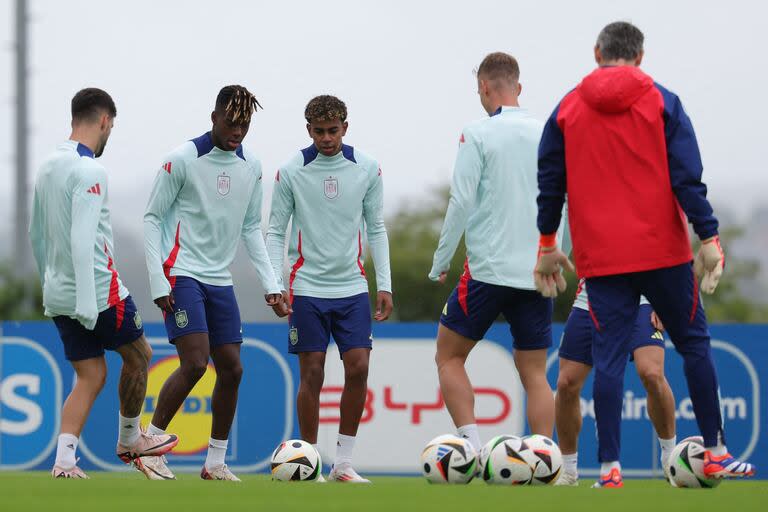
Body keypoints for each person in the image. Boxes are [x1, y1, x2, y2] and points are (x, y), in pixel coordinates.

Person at [535, 21, 755, 487]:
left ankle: (610, 469)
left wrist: (548, 246)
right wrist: (709, 238)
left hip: (603, 260)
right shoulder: (662, 100)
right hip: (663, 253)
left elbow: (550, 184)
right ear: (640, 56)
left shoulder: (567, 109)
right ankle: (715, 451)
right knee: (693, 343)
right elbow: (687, 177)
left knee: (609, 359)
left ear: (597, 52)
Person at [30, 88, 179, 479]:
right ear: (105, 121)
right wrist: (85, 298)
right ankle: (130, 440)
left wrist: (52, 283)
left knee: (91, 374)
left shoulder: (47, 165)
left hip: (59, 293)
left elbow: (36, 233)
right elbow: (82, 239)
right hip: (97, 292)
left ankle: (64, 461)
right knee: (140, 355)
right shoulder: (90, 170)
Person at [141, 85, 283, 481]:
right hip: (181, 272)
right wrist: (157, 280)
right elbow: (153, 218)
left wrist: (271, 283)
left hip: (220, 280)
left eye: (245, 123)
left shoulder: (251, 166)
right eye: (231, 122)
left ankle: (215, 462)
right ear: (214, 117)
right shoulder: (182, 160)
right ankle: (150, 446)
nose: (238, 130)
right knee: (195, 363)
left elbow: (252, 227)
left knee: (233, 370)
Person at [429, 53, 562, 454]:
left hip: (486, 272)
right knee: (535, 374)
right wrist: (556, 256)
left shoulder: (477, 132)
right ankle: (543, 459)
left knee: (448, 356)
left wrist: (441, 260)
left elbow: (461, 200)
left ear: (484, 88)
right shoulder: (550, 132)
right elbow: (566, 200)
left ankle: (473, 450)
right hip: (536, 273)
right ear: (518, 87)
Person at [266, 95, 392, 483]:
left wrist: (384, 284)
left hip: (352, 287)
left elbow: (376, 228)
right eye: (318, 132)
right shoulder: (291, 171)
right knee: (313, 373)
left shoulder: (367, 168)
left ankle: (343, 463)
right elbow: (274, 230)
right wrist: (274, 284)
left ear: (345, 128)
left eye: (332, 131)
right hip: (306, 287)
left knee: (359, 368)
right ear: (308, 130)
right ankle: (309, 463)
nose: (326, 138)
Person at [555, 280, 676, 486]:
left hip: (642, 299)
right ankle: (568, 471)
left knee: (652, 374)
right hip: (591, 299)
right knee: (567, 383)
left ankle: (671, 458)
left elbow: (666, 251)